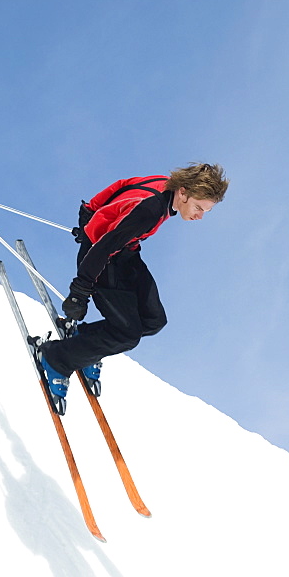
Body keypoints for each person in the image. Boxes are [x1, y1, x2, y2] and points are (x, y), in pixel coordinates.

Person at [34, 162, 229, 412]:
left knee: (154, 320)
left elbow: (123, 185)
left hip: (125, 255)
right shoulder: (149, 211)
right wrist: (80, 292)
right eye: (198, 207)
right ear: (183, 192)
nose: (199, 215)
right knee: (127, 334)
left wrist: (89, 212)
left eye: (206, 211)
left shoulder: (162, 183)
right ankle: (56, 359)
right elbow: (103, 247)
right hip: (101, 259)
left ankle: (85, 343)